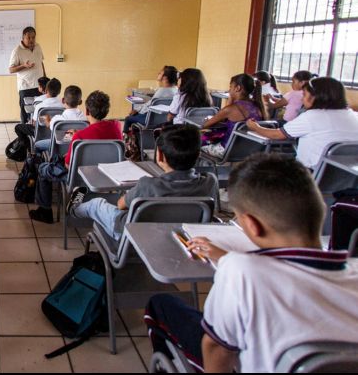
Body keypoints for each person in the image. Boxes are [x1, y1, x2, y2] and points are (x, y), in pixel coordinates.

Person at [144, 154, 358, 373]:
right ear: (320, 209)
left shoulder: (241, 271)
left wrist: (231, 261)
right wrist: (225, 257)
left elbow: (215, 348)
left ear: (252, 224)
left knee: (161, 304)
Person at [67, 124, 217, 240]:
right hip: (180, 239)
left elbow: (120, 205)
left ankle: (74, 209)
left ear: (160, 156)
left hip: (132, 237)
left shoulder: (148, 185)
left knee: (97, 204)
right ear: (198, 154)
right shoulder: (210, 182)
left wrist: (130, 196)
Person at [29, 90, 123, 223]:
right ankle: (83, 192)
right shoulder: (116, 126)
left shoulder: (80, 137)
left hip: (80, 178)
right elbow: (98, 131)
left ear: (87, 111)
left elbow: (68, 166)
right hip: (108, 177)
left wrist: (78, 136)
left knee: (44, 169)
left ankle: (45, 211)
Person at [247, 76, 358, 169]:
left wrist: (255, 126)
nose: (302, 99)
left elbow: (276, 135)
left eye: (304, 95)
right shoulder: (354, 116)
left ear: (315, 97)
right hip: (346, 177)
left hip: (309, 173)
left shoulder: (312, 116)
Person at [201, 73, 266, 157]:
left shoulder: (230, 109)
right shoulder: (257, 106)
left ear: (237, 88)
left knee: (199, 141)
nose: (229, 90)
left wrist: (230, 99)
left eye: (230, 87)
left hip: (228, 150)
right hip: (250, 150)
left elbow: (205, 125)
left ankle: (202, 167)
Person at [124, 66, 179, 133]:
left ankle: (128, 138)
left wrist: (137, 110)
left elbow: (148, 107)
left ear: (165, 77)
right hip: (168, 120)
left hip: (151, 120)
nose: (158, 73)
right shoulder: (177, 91)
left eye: (160, 73)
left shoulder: (161, 91)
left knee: (128, 118)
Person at [9, 26, 47, 124]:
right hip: (25, 87)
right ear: (23, 38)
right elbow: (11, 69)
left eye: (33, 37)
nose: (31, 40)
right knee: (25, 113)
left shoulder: (38, 46)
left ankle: (38, 134)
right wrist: (24, 66)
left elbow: (41, 62)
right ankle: (25, 136)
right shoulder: (17, 51)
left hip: (39, 86)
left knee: (40, 112)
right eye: (28, 38)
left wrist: (45, 78)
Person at [33, 85, 85, 155]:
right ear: (80, 102)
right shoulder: (85, 119)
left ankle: (41, 163)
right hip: (78, 149)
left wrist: (47, 119)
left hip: (58, 149)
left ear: (63, 100)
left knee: (36, 145)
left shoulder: (57, 119)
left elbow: (49, 126)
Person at [13, 78, 62, 147]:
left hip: (41, 133)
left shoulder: (40, 106)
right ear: (59, 91)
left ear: (46, 90)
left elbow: (34, 123)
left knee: (18, 127)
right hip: (57, 133)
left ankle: (27, 147)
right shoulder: (62, 105)